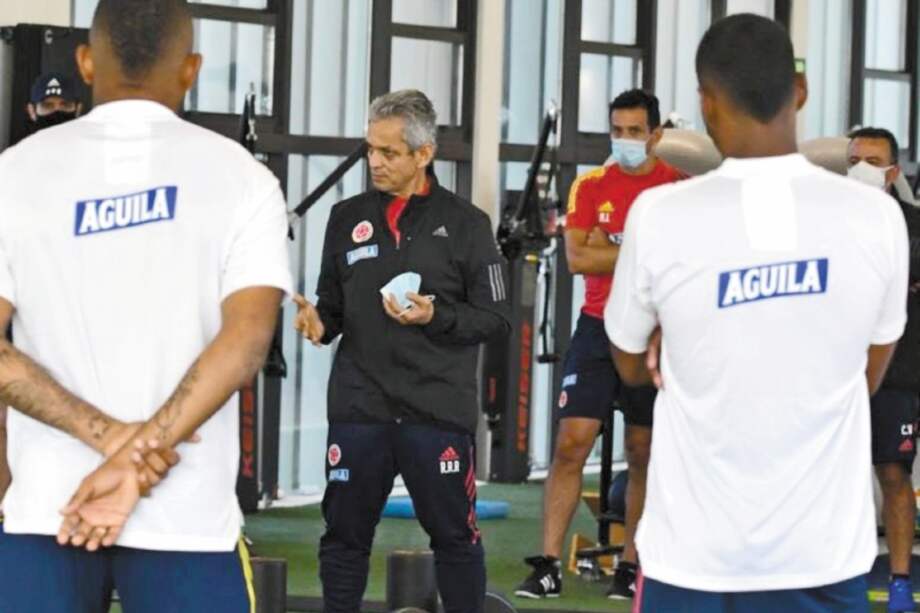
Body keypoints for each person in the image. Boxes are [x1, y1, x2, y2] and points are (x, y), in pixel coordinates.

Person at [606, 14, 907, 613]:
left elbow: (633, 365)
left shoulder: (660, 215)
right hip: (820, 555)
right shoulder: (875, 217)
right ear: (800, 92)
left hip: (692, 555)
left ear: (704, 102)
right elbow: (867, 375)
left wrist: (684, 329)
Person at [0, 1, 293, 612]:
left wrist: (107, 440)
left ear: (85, 62)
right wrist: (136, 460)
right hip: (183, 518)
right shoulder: (244, 180)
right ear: (191, 68)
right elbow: (245, 346)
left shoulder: (13, 175)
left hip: (51, 510)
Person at [293, 89, 511, 613]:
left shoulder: (467, 225)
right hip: (359, 408)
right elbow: (333, 309)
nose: (375, 162)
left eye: (389, 152)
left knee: (455, 539)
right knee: (343, 538)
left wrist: (436, 315)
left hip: (435, 411)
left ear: (424, 154)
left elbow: (497, 317)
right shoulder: (346, 217)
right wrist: (318, 323)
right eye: (371, 149)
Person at [515, 89, 685, 601]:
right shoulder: (589, 186)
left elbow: (677, 260)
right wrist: (641, 249)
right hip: (597, 327)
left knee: (642, 450)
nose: (626, 139)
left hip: (655, 331)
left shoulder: (679, 188)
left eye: (636, 131)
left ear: (655, 135)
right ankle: (547, 565)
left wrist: (610, 244)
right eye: (618, 130)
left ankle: (631, 567)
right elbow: (577, 259)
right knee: (572, 444)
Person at [0, 72, 84, 508]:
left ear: (78, 109)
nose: (56, 113)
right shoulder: (12, 173)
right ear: (31, 112)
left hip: (73, 316)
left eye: (64, 106)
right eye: (47, 107)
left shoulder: (97, 173)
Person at [848, 126, 920, 613]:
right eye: (856, 160)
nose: (863, 170)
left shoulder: (913, 225)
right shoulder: (824, 223)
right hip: (835, 373)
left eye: (874, 162)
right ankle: (835, 575)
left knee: (893, 474)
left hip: (898, 374)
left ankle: (898, 581)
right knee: (835, 479)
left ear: (893, 172)